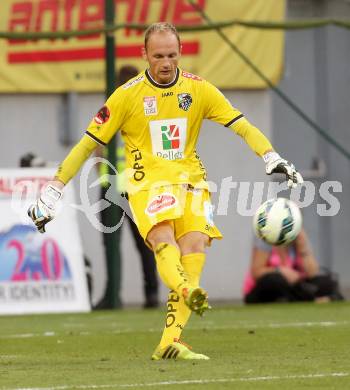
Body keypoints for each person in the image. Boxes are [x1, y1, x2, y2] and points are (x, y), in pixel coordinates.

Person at [28, 22, 303, 360]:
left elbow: (241, 124)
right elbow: (87, 144)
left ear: (180, 52)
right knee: (163, 241)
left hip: (192, 182)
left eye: (172, 54)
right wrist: (54, 189)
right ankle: (187, 289)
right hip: (146, 184)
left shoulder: (198, 89)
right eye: (158, 55)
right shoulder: (127, 95)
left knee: (195, 246)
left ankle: (170, 341)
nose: (166, 62)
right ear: (144, 54)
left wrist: (270, 155)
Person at [96, 65, 159, 309]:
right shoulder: (147, 111)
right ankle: (151, 294)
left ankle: (113, 295)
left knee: (112, 244)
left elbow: (97, 147)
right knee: (145, 242)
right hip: (137, 185)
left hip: (112, 185)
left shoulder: (110, 109)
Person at [243, 229, 344, 303]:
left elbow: (313, 273)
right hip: (265, 289)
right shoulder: (265, 238)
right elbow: (256, 272)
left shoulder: (298, 239)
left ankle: (304, 299)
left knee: (325, 282)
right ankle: (313, 300)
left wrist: (303, 246)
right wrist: (281, 270)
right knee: (275, 281)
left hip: (294, 287)